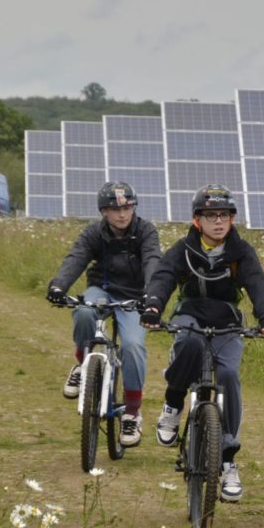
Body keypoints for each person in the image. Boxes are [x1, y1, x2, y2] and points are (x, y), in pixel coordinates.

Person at [140, 184, 264, 502]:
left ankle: (228, 460)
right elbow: (163, 277)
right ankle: (174, 405)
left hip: (228, 321)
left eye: (225, 215)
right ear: (196, 220)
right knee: (187, 345)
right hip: (189, 314)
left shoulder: (241, 252)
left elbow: (257, 283)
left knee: (229, 375)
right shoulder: (183, 249)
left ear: (231, 220)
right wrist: (152, 307)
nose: (218, 221)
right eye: (210, 215)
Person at [46, 182, 162, 447]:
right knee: (85, 311)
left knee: (132, 345)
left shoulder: (145, 231)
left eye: (127, 207)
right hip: (103, 289)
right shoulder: (93, 233)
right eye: (114, 209)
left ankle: (132, 413)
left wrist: (152, 293)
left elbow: (153, 260)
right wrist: (58, 285)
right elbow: (76, 258)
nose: (122, 214)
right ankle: (81, 363)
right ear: (103, 212)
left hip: (135, 295)